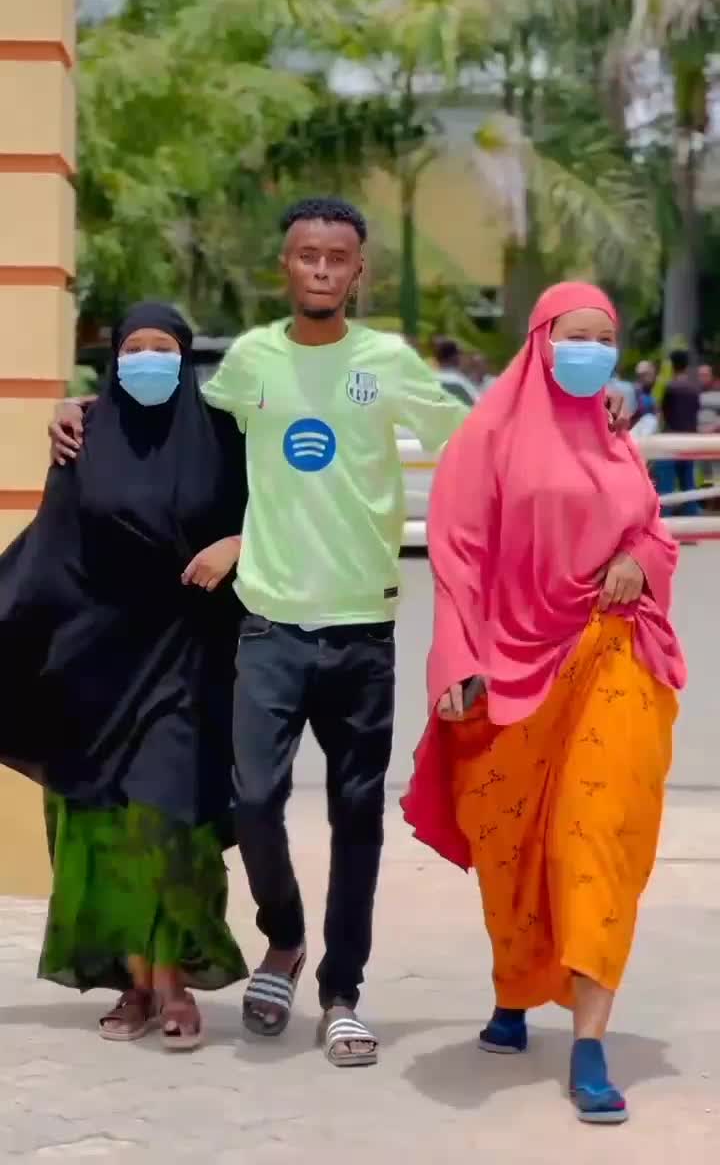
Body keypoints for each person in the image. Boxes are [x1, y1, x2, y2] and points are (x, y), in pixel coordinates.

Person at [49, 201, 632, 1068]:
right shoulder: (253, 360)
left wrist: (591, 399)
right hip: (270, 626)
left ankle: (342, 993)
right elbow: (180, 423)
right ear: (285, 267)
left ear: (359, 272)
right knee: (254, 801)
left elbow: (487, 433)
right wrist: (83, 406)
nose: (321, 269)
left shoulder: (386, 362)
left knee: (358, 819)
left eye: (337, 258)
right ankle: (284, 937)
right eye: (306, 256)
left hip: (364, 630)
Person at [401, 282, 686, 1125]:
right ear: (539, 341)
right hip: (512, 664)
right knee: (512, 841)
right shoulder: (486, 439)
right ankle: (515, 989)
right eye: (575, 335)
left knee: (594, 835)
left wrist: (638, 559)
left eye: (604, 337)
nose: (591, 351)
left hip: (614, 651)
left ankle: (590, 1044)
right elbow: (456, 556)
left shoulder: (617, 439)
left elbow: (654, 530)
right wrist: (455, 659)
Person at [2, 304, 248, 1049]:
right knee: (106, 829)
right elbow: (53, 545)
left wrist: (239, 543)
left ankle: (174, 983)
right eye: (134, 349)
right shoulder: (82, 436)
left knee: (168, 821)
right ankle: (136, 984)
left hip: (188, 657)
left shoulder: (224, 435)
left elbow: (276, 511)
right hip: (95, 663)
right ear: (113, 360)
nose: (148, 360)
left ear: (186, 357)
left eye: (162, 347)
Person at [655, 349, 701, 516]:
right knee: (688, 483)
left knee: (667, 485)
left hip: (671, 439)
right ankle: (692, 520)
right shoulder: (694, 388)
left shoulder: (670, 387)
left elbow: (663, 413)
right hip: (690, 439)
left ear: (672, 365)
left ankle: (665, 521)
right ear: (687, 366)